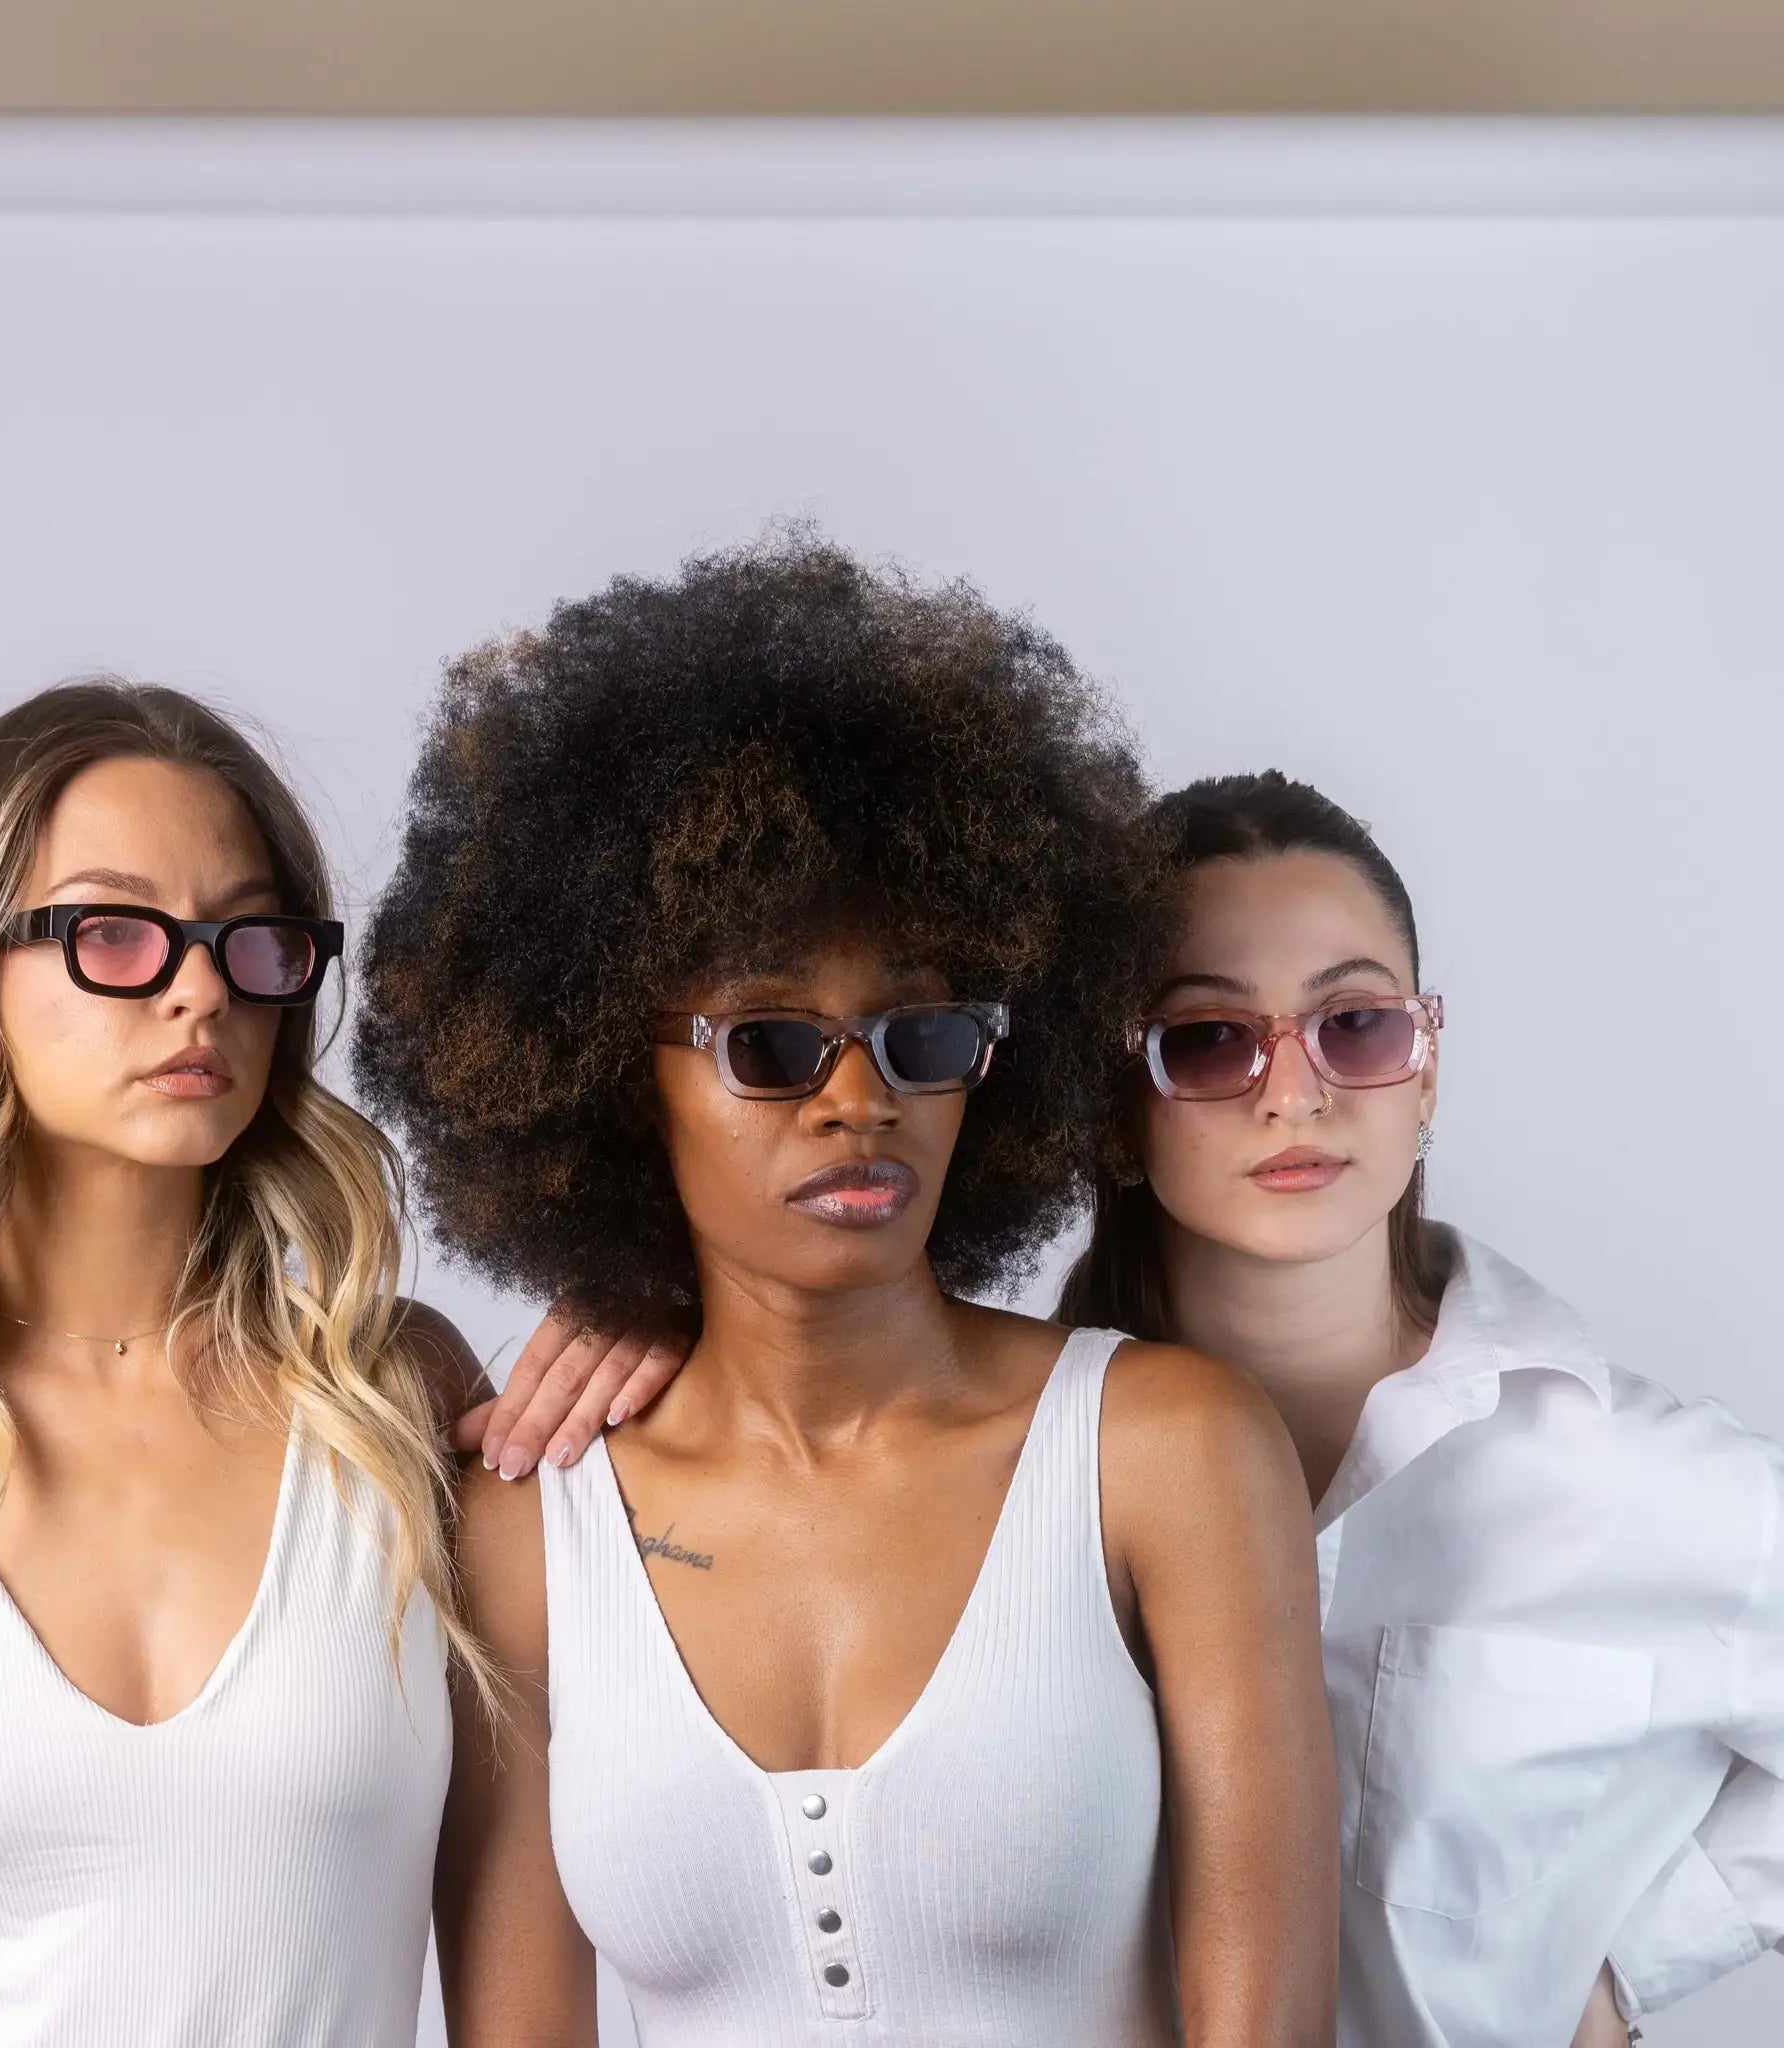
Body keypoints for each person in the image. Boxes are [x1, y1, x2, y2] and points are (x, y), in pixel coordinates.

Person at [358, 535, 1341, 2046]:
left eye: (920, 1038)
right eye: (770, 1043)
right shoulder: (527, 1526)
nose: (856, 1100)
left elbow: (1265, 2026)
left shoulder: (1168, 1449)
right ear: (624, 1082)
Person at [0, 680, 678, 2048]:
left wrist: (685, 1317)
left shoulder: (401, 1402)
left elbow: (527, 2009)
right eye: (115, 932)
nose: (198, 988)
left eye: (250, 939)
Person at [1055, 769, 1783, 2048]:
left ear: (1427, 1070)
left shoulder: (1641, 1483)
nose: (1295, 1092)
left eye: (1357, 1023)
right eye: (1211, 1039)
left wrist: (1623, 1959)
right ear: (1113, 1106)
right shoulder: (1004, 1471)